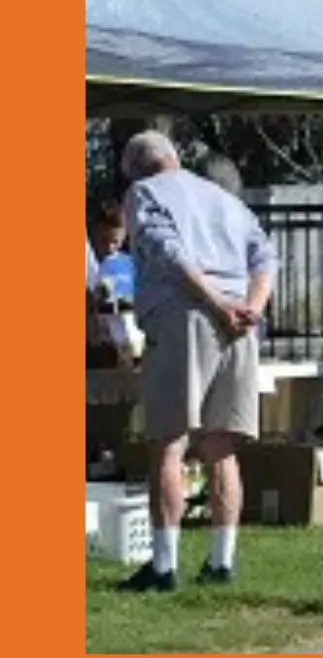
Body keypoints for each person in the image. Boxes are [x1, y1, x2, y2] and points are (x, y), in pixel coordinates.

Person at [116, 131, 277, 592]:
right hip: (240, 322)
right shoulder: (222, 197)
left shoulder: (144, 193)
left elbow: (169, 254)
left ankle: (163, 566)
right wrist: (250, 307)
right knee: (221, 445)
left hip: (186, 315)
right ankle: (221, 562)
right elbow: (265, 255)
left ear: (136, 168)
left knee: (168, 440)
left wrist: (215, 302)